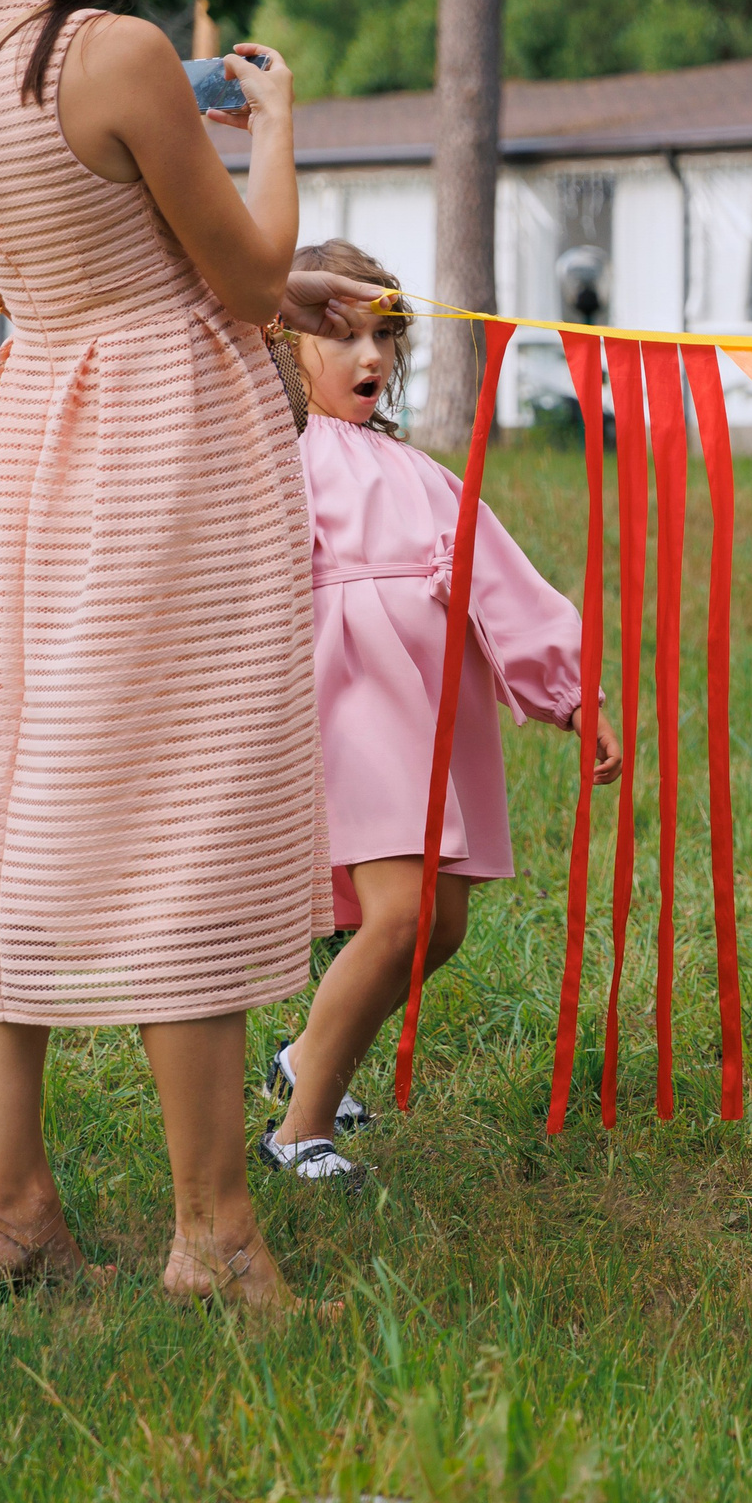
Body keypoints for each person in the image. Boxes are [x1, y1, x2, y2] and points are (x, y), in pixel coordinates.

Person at [0, 0, 392, 1308]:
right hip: (162, 451)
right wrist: (278, 131)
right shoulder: (113, 52)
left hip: (36, 431)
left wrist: (263, 289)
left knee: (26, 801)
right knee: (188, 809)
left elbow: (96, 250)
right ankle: (216, 1232)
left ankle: (13, 1199)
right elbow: (242, 265)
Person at [257, 240, 622, 1180]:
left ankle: (309, 1055)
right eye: (340, 336)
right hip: (350, 706)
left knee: (441, 922)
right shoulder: (274, 465)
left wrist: (574, 694)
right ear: (282, 342)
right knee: (398, 913)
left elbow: (498, 579)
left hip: (431, 716)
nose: (369, 357)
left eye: (384, 335)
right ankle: (300, 1126)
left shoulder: (415, 471)